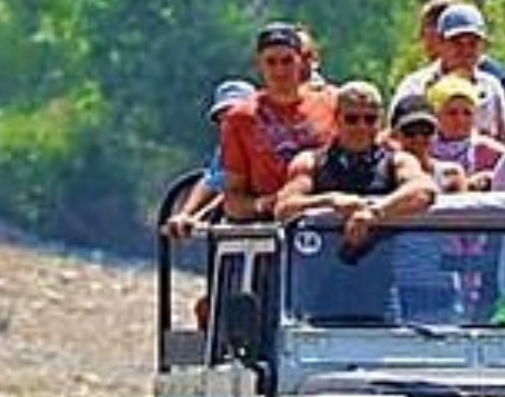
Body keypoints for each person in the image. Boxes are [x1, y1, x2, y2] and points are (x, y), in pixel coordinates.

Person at [273, 81, 437, 235]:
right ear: (337, 119)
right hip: (322, 257)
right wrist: (330, 201)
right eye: (352, 119)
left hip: (387, 255)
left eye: (370, 119)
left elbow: (424, 189)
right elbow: (284, 208)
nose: (361, 127)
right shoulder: (310, 162)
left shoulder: (397, 161)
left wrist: (375, 211)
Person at [220, 22, 340, 220]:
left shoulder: (332, 102)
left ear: (301, 61)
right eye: (271, 62)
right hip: (269, 226)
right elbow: (233, 199)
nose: (280, 71)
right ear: (259, 65)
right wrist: (263, 205)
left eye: (287, 61)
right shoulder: (240, 118)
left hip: (328, 221)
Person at [399, 0, 505, 142]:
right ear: (440, 42)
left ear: (483, 46)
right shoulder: (415, 87)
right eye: (456, 42)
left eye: (473, 43)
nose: (465, 51)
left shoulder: (494, 86)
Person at [165, 79, 256, 238]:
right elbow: (211, 181)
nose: (230, 124)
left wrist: (200, 216)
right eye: (224, 119)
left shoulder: (264, 145)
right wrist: (186, 213)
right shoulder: (226, 149)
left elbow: (233, 192)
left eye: (236, 116)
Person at [425, 73, 505, 191]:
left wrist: (491, 178)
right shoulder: (425, 146)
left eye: (467, 113)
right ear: (436, 115)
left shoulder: (485, 148)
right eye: (452, 113)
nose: (460, 120)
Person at [392, 94, 467, 191]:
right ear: (395, 134)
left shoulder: (451, 174)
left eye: (426, 130)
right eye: (410, 131)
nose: (419, 138)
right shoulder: (384, 175)